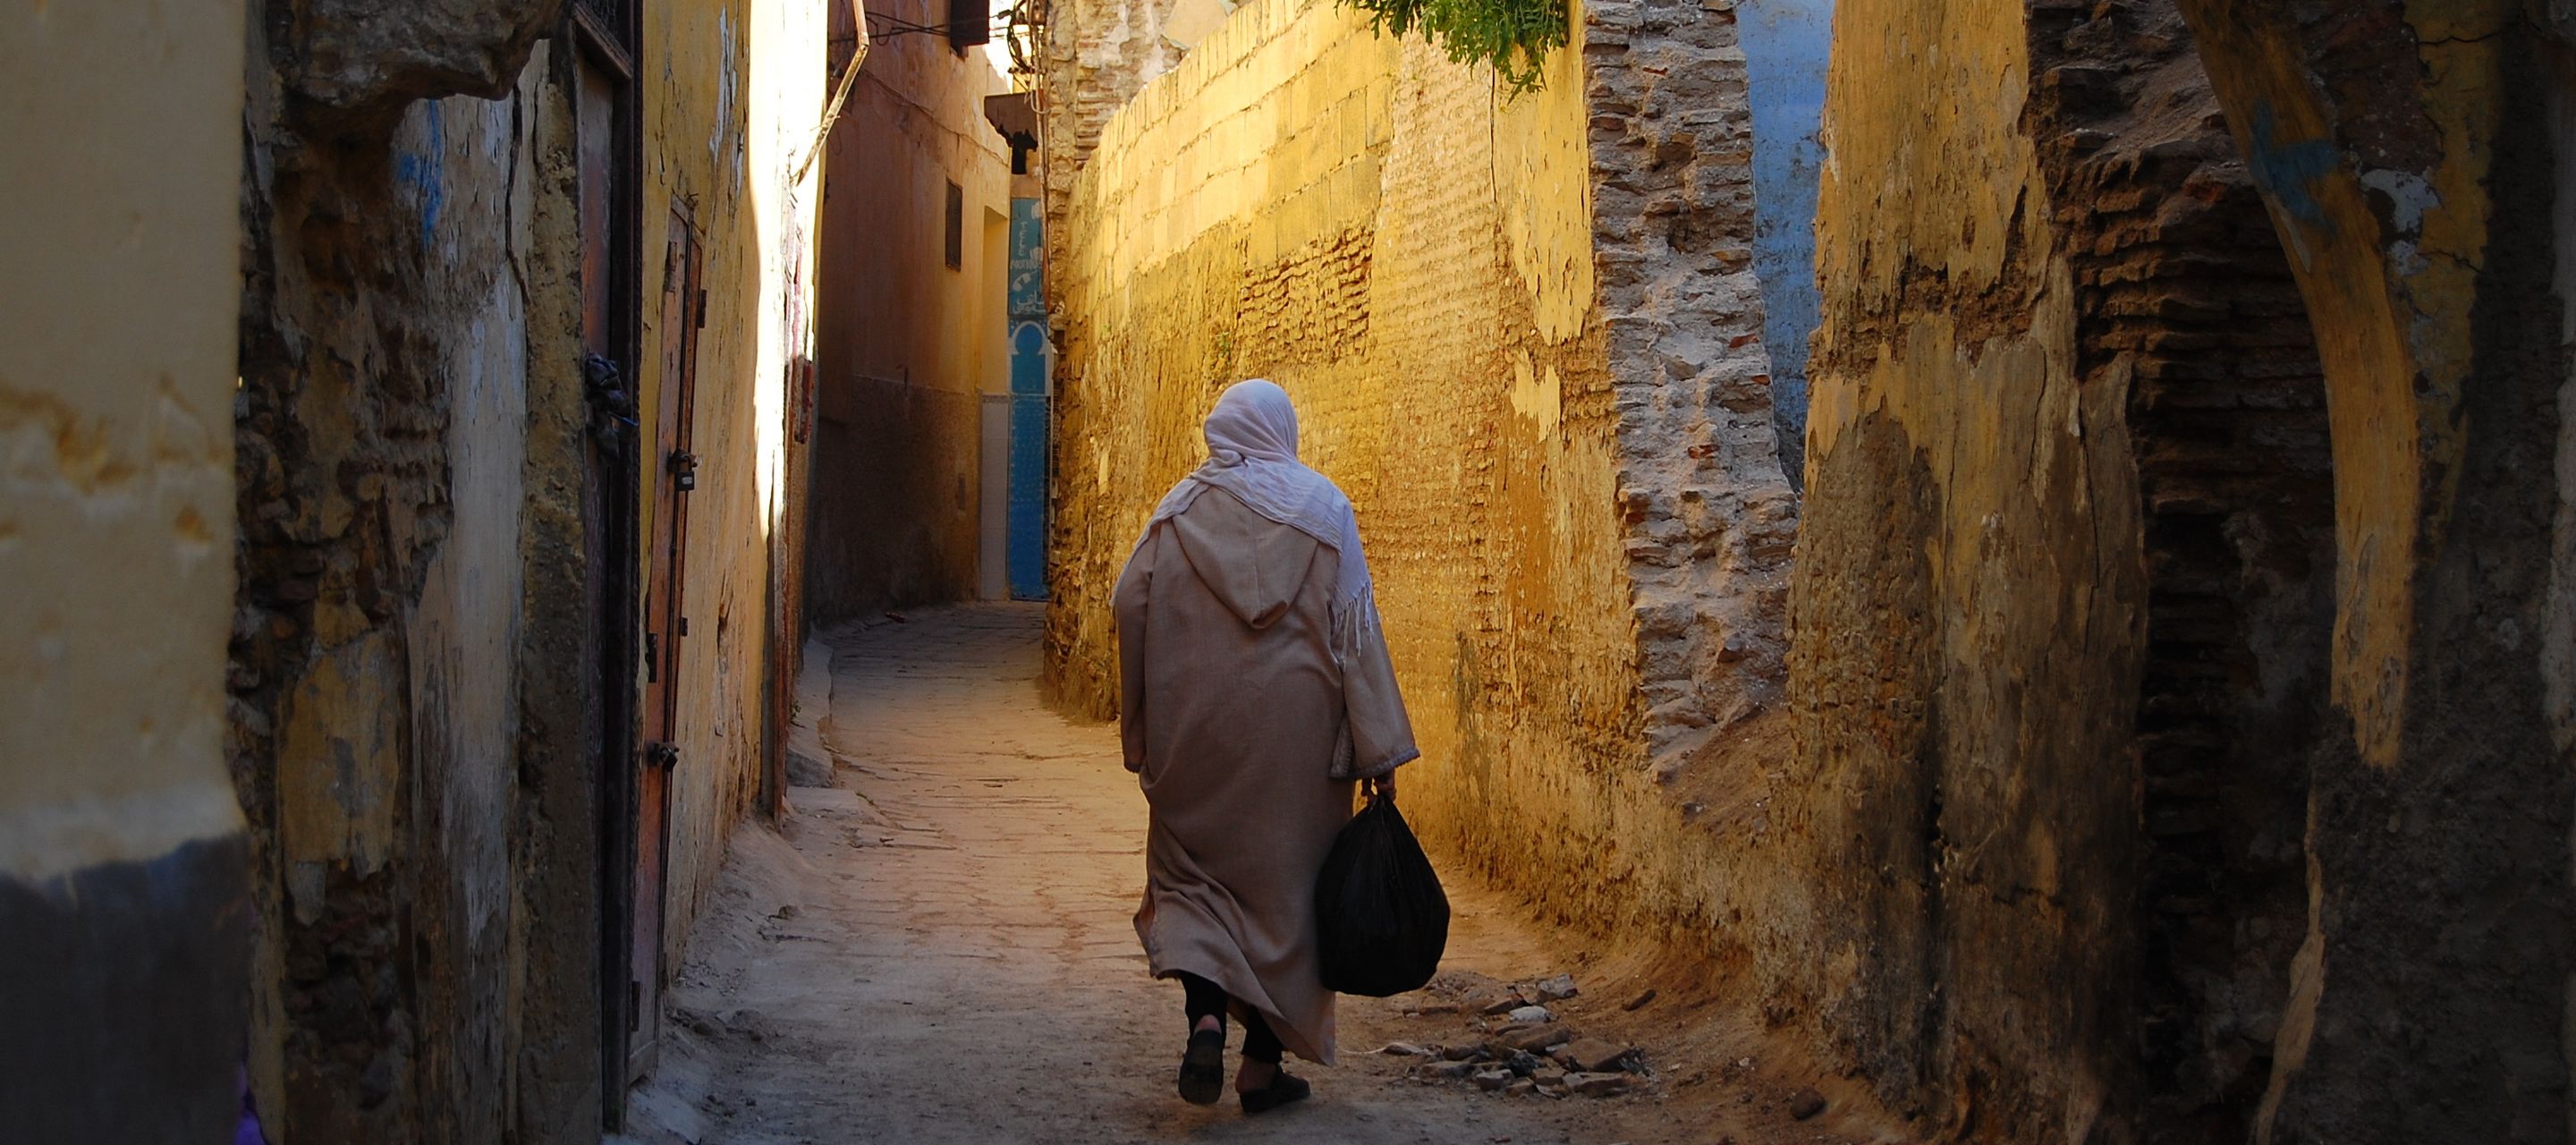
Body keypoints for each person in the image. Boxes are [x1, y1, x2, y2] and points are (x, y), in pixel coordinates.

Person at [1113, 379, 1419, 1115]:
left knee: (1194, 885)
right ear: (1282, 430)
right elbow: (1355, 627)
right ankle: (1259, 1066)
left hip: (1197, 739)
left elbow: (1129, 603)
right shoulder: (1324, 509)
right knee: (1289, 899)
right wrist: (1377, 752)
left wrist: (1141, 728)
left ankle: (1207, 1019)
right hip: (1298, 747)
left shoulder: (1176, 511)